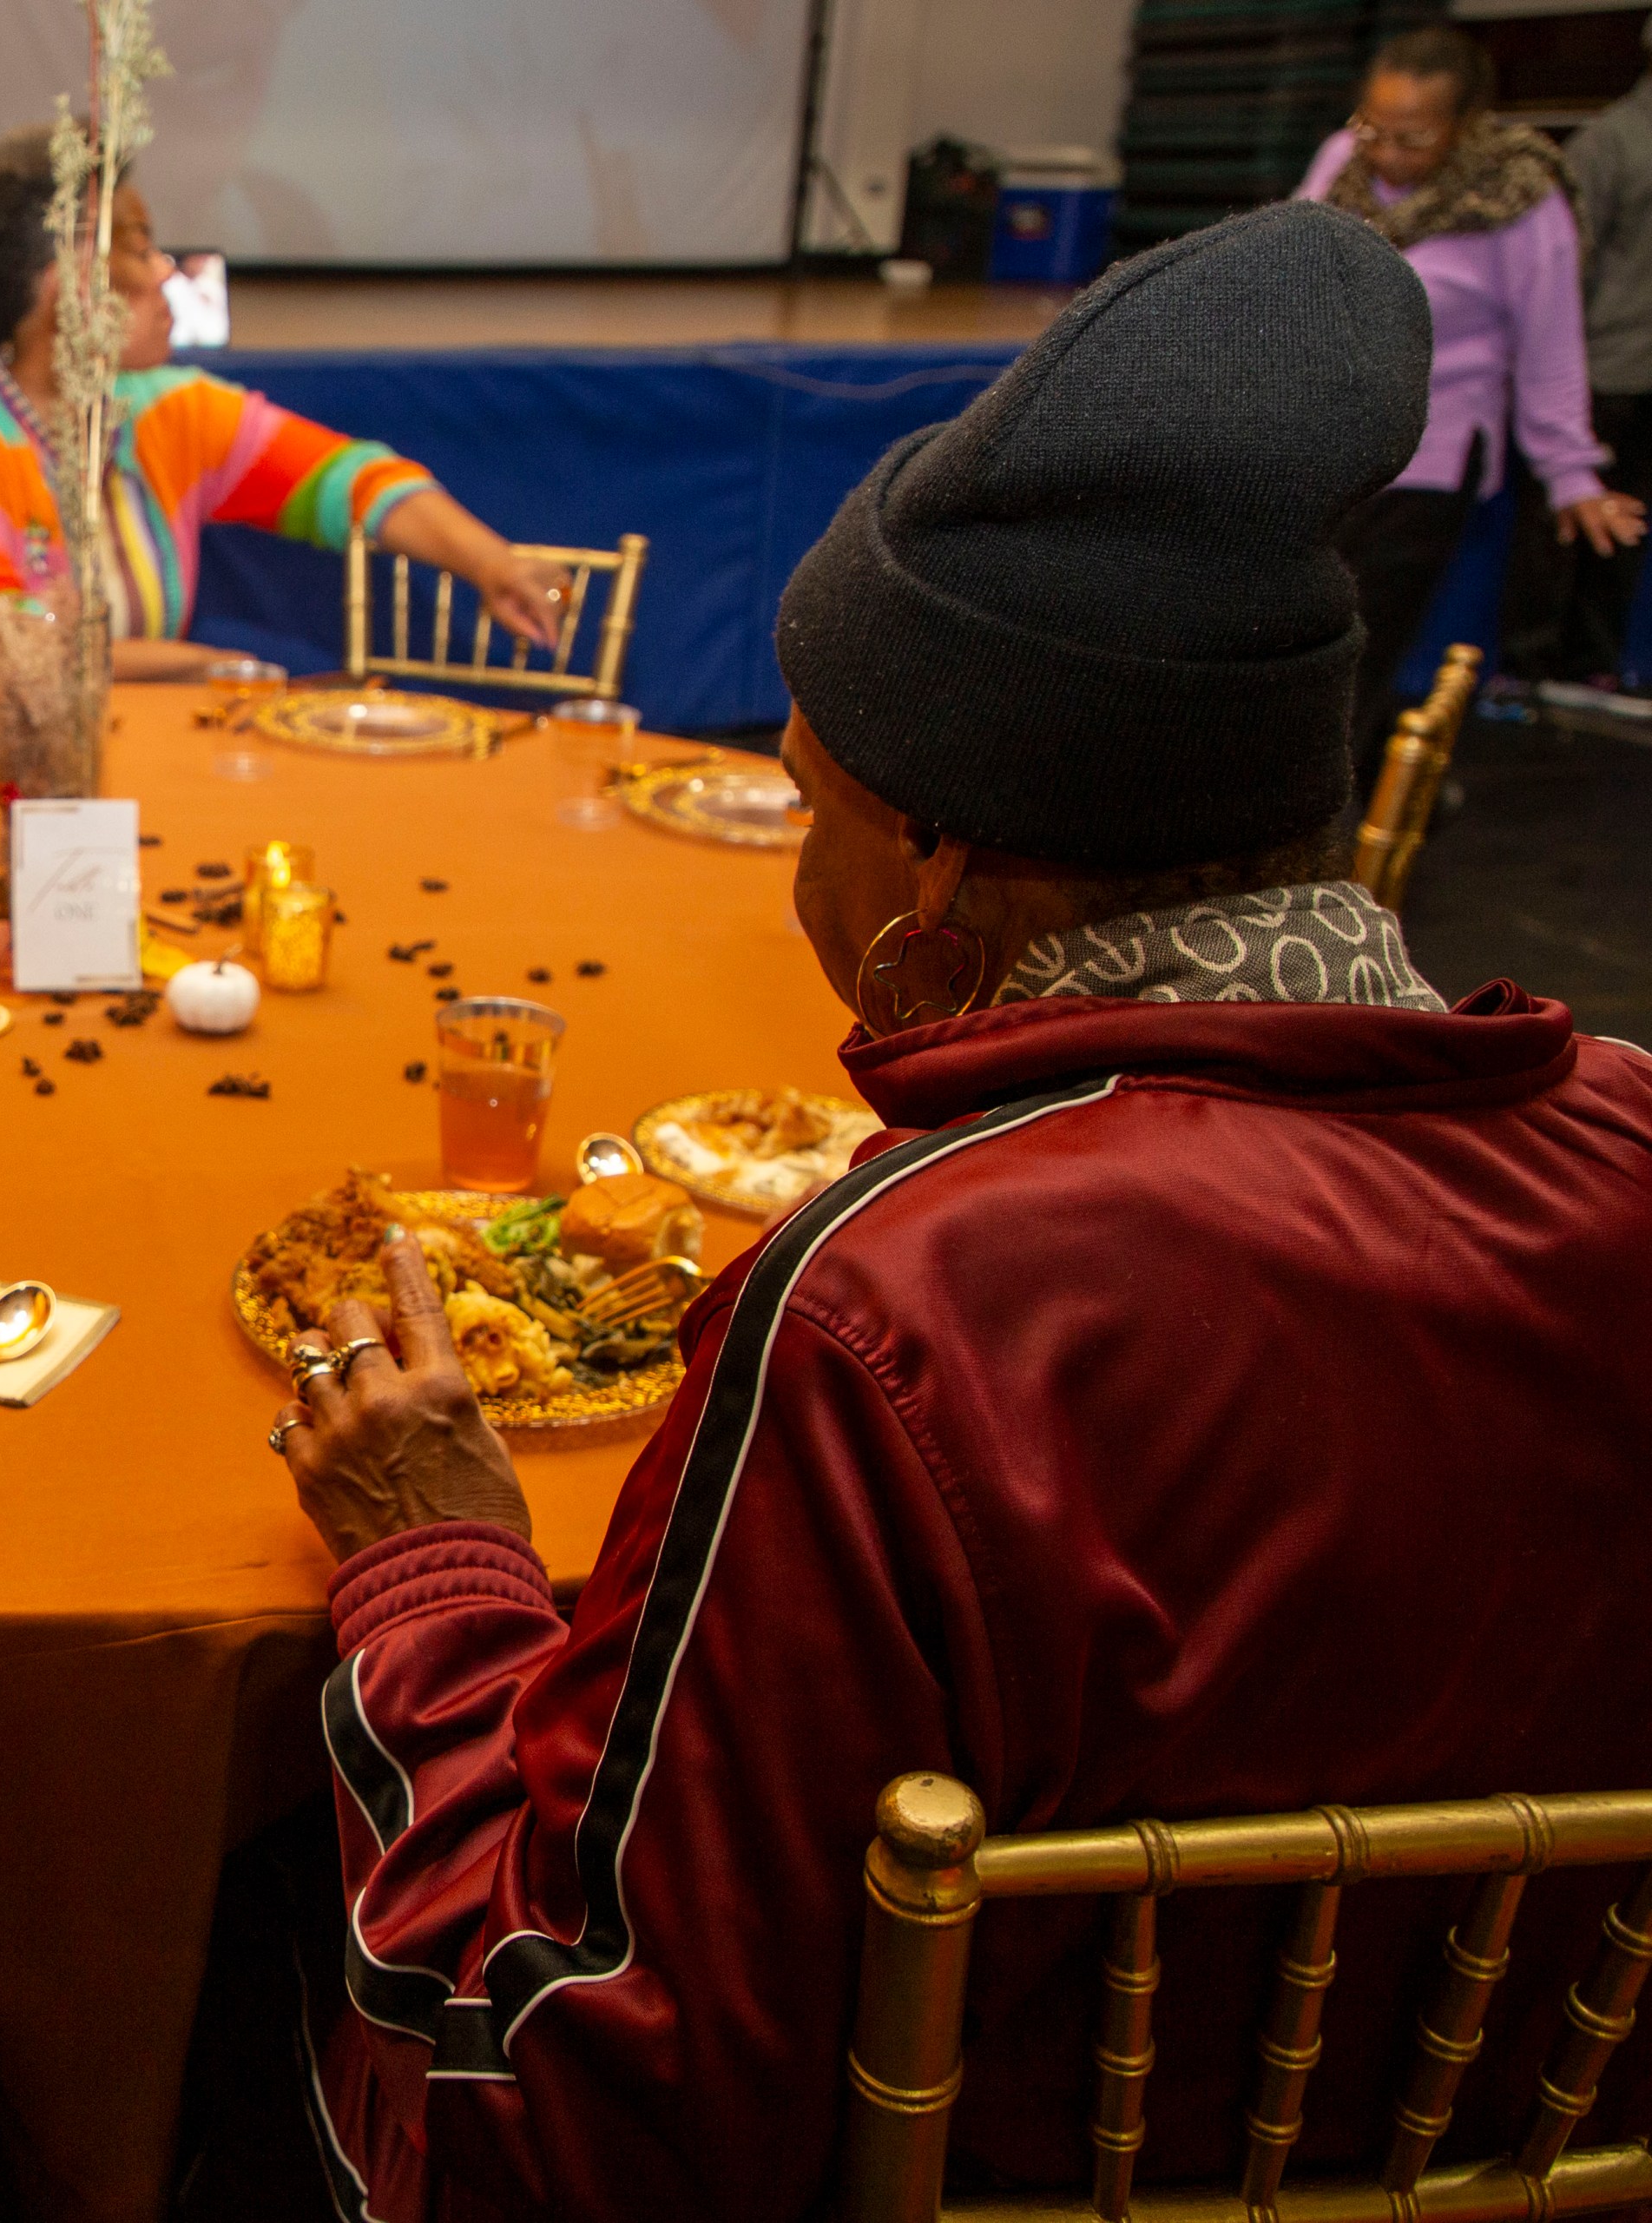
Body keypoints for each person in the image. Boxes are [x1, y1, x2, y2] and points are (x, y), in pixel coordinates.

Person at [267, 204, 1652, 2218]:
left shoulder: (897, 1308)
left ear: (931, 877)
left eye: (807, 801)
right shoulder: (1625, 1129)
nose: (794, 868)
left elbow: (578, 2098)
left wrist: (440, 1575)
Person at [0, 128, 564, 685]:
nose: (166, 269)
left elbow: (351, 484)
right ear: (63, 287)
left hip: (99, 748)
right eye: (137, 248)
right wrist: (206, 666)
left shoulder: (166, 410)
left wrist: (491, 564)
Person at [1296, 24, 1646, 775]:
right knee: (1293, 632)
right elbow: (1289, 275)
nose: (1386, 154)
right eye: (1373, 129)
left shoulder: (1520, 199)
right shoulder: (1339, 162)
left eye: (1413, 137)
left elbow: (1550, 344)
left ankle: (1326, 818)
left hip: (1432, 451)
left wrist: (1571, 472)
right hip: (1325, 437)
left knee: (1362, 642)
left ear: (1465, 125)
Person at [1506, 17, 1652, 688]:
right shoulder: (1610, 141)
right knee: (1560, 525)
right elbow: (1564, 268)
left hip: (1646, 380)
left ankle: (1593, 669)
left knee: (1626, 528)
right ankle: (1527, 665)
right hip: (1600, 371)